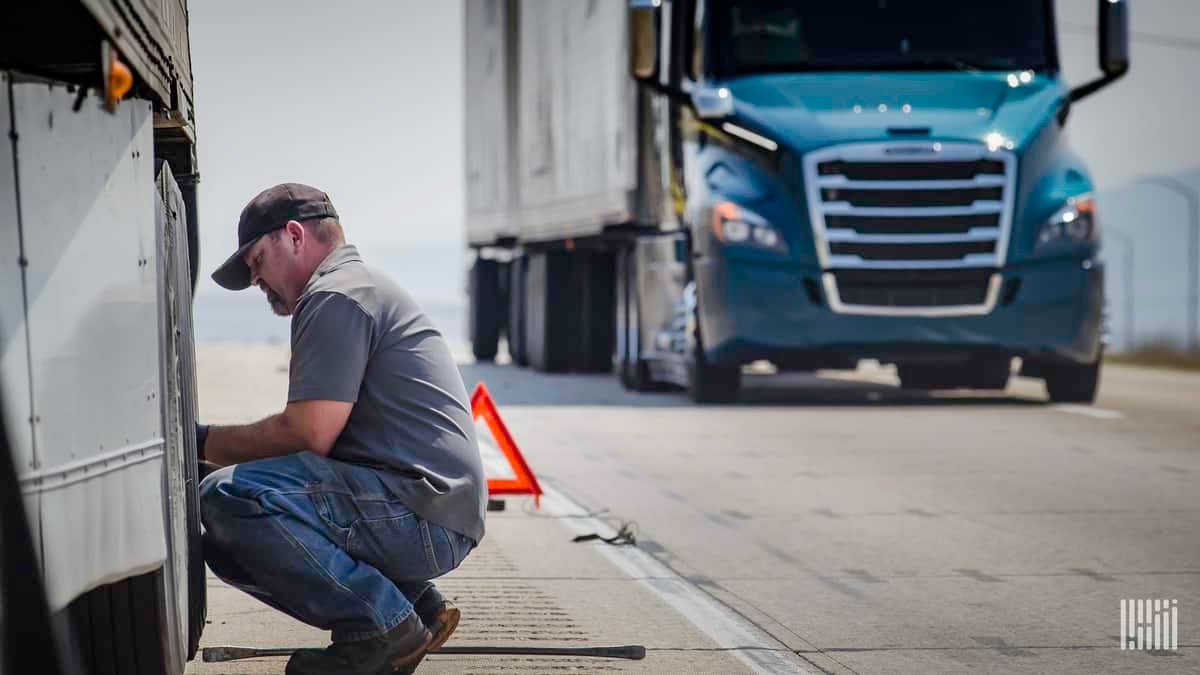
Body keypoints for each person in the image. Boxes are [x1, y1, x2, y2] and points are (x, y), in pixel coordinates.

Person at [196, 183, 486, 675]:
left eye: (256, 261)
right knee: (223, 541)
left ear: (293, 236)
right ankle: (416, 605)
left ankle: (384, 627)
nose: (255, 280)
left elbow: (307, 435)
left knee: (228, 498)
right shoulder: (357, 286)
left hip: (421, 513)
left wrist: (200, 441)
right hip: (432, 506)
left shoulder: (335, 295)